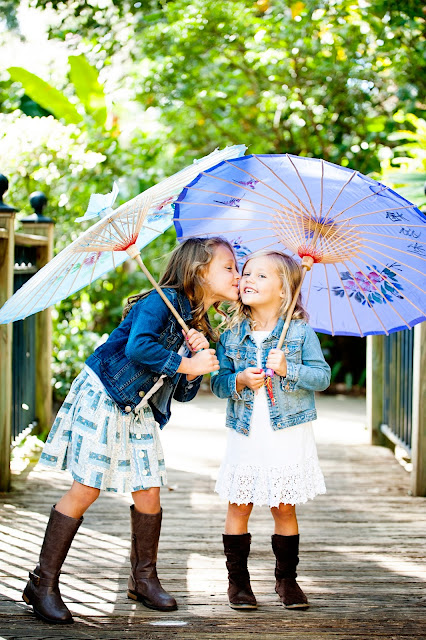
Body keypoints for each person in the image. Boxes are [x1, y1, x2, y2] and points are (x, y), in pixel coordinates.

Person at [22, 237, 240, 624]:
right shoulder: (160, 301)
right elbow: (139, 348)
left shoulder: (196, 322)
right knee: (86, 487)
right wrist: (183, 362)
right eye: (229, 267)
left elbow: (185, 392)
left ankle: (143, 579)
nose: (237, 275)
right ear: (199, 270)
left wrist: (197, 356)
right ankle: (42, 582)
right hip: (105, 394)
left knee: (149, 488)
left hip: (137, 407)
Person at [211, 251, 330, 611]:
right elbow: (217, 384)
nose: (248, 279)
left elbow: (322, 377)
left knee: (283, 506)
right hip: (246, 433)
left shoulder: (299, 332)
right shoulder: (231, 335)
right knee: (239, 504)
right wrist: (240, 380)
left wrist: (290, 368)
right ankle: (239, 583)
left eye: (262, 276)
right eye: (246, 273)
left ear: (284, 290)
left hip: (287, 433)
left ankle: (287, 580)